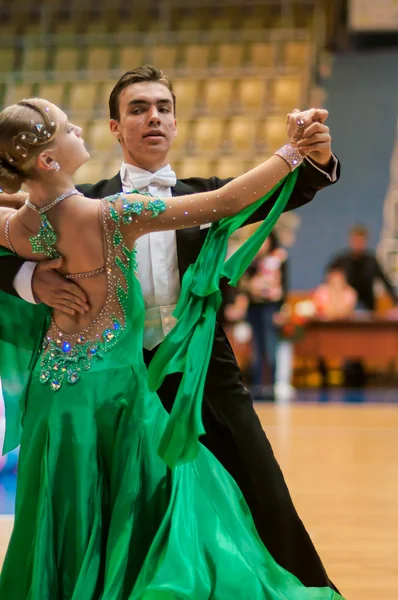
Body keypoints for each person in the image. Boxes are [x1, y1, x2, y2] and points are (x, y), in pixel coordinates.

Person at [0, 66, 341, 591]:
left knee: (260, 486)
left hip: (198, 367)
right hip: (119, 379)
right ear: (115, 128)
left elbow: (268, 194)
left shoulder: (191, 193)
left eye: (163, 107)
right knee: (121, 502)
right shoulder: (87, 201)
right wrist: (29, 280)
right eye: (137, 108)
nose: (153, 117)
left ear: (178, 122)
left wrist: (312, 155)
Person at [239, 230, 287, 396]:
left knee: (271, 346)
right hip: (254, 306)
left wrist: (281, 308)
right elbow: (243, 281)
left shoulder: (279, 258)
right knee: (257, 348)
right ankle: (259, 385)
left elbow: (285, 284)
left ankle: (272, 385)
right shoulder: (252, 259)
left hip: (271, 307)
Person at [328, 224, 397, 311]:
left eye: (361, 241)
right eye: (356, 241)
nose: (358, 244)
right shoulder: (341, 261)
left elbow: (384, 281)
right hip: (346, 306)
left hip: (368, 304)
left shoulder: (371, 261)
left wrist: (395, 301)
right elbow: (329, 280)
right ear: (351, 241)